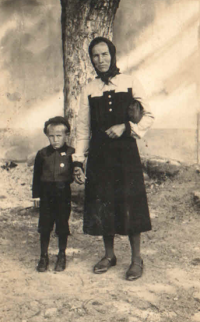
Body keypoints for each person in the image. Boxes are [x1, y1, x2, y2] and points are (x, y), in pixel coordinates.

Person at [73, 37, 155, 280]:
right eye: (96, 56)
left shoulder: (130, 82)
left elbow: (149, 116)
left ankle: (136, 259)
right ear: (91, 59)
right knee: (103, 201)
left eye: (105, 54)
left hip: (125, 154)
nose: (101, 60)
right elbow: (82, 130)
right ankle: (109, 255)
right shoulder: (89, 89)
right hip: (99, 155)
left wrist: (126, 127)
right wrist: (78, 160)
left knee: (131, 202)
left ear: (113, 55)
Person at [32, 116, 74, 272]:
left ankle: (61, 255)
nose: (55, 140)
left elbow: (76, 171)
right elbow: (36, 176)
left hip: (63, 196)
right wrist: (36, 195)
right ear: (47, 136)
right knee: (45, 226)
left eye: (59, 136)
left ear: (66, 135)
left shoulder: (71, 153)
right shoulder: (42, 154)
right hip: (46, 195)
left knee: (62, 225)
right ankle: (43, 256)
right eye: (51, 136)